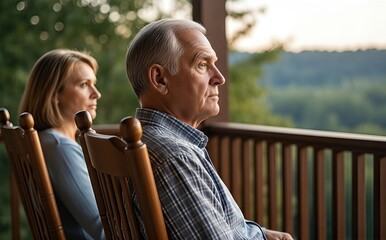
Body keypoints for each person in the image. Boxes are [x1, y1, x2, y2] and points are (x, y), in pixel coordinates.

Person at [125, 19, 293, 240]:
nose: (220, 78)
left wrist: (261, 234)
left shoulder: (147, 142)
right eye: (202, 65)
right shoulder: (175, 157)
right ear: (160, 79)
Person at [19, 49, 105, 239]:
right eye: (84, 85)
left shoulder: (46, 141)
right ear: (54, 94)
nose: (96, 94)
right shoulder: (59, 147)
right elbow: (102, 230)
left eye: (94, 84)